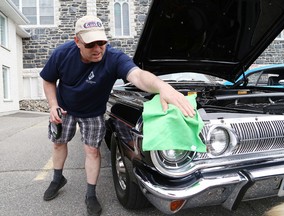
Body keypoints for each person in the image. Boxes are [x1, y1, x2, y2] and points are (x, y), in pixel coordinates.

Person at [40, 15, 195, 216]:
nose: (97, 49)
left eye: (101, 42)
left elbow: (137, 75)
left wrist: (162, 87)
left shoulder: (114, 58)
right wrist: (53, 105)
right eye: (91, 44)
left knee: (92, 151)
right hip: (65, 108)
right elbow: (48, 80)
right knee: (58, 143)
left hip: (92, 112)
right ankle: (57, 179)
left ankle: (90, 194)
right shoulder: (62, 54)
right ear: (77, 41)